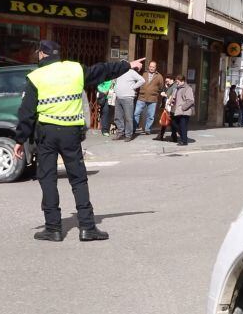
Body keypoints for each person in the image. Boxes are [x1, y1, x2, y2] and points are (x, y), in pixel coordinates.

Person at [13, 40, 144, 242]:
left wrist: (20, 139)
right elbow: (103, 71)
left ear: (42, 54)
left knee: (48, 179)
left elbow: (27, 112)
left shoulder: (36, 76)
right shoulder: (75, 70)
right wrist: (127, 65)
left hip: (46, 134)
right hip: (70, 134)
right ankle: (87, 227)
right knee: (78, 180)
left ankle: (53, 228)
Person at [113, 68, 145, 142]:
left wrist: (133, 87)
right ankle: (120, 133)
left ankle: (128, 135)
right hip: (118, 97)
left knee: (128, 117)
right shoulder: (119, 72)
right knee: (117, 117)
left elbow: (142, 80)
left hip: (128, 98)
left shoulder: (131, 72)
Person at [134, 61, 164, 135]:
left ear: (155, 67)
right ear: (148, 66)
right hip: (142, 97)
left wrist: (154, 91)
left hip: (153, 98)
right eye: (150, 66)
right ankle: (134, 128)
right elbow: (138, 82)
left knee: (151, 115)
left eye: (153, 67)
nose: (151, 68)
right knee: (136, 113)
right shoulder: (144, 74)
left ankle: (147, 129)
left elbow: (161, 87)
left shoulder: (159, 76)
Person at [171, 75, 194, 146]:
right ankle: (183, 136)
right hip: (177, 111)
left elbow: (190, 100)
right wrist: (172, 101)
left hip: (184, 111)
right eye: (176, 82)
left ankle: (184, 141)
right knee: (173, 123)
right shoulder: (177, 88)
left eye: (177, 82)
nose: (176, 83)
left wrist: (183, 108)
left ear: (182, 81)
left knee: (183, 126)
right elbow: (174, 97)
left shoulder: (188, 88)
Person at [154, 74, 177, 141]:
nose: (166, 82)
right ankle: (162, 136)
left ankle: (174, 137)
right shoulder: (169, 86)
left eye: (167, 81)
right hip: (166, 106)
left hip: (170, 107)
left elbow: (172, 96)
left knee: (171, 122)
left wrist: (165, 95)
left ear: (171, 80)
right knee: (165, 121)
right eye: (166, 81)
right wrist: (166, 87)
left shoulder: (174, 86)